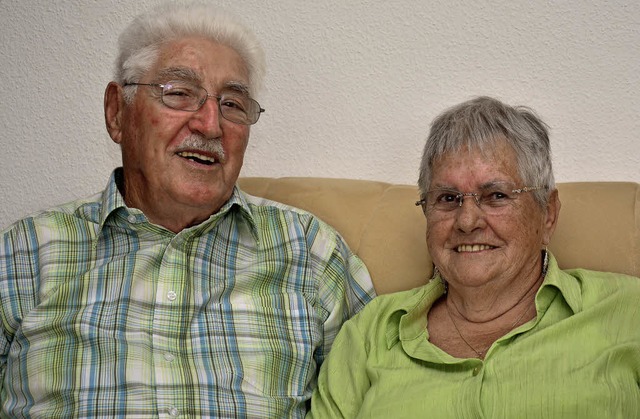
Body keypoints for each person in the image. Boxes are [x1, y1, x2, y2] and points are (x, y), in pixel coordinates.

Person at [0, 3, 375, 417]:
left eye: (232, 104)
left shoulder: (313, 254)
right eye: (179, 93)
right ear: (117, 113)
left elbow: (383, 395)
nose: (210, 124)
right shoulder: (24, 255)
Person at [308, 96, 640, 418]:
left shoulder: (627, 311)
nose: (467, 221)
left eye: (496, 195)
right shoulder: (371, 331)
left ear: (547, 215)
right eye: (448, 198)